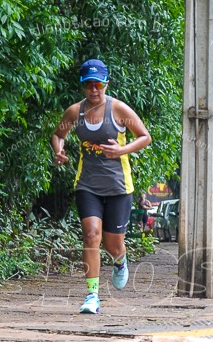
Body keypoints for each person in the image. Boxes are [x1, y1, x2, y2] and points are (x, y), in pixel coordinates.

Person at [51, 59, 152, 314]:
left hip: (118, 186)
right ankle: (92, 296)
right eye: (88, 85)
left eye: (98, 85)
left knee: (112, 245)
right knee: (91, 235)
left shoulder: (118, 110)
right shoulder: (75, 112)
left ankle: (120, 260)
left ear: (106, 84)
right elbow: (58, 134)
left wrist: (121, 150)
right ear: (83, 86)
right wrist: (59, 151)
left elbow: (145, 137)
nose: (93, 90)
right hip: (87, 184)